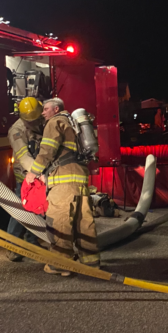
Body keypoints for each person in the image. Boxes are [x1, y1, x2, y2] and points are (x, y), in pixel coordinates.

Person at [26, 97, 100, 276]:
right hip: (79, 179)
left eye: (46, 109)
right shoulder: (72, 123)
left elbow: (47, 151)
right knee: (83, 221)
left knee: (60, 221)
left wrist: (33, 172)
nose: (43, 113)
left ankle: (61, 264)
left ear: (56, 109)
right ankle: (91, 262)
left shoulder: (55, 122)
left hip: (63, 182)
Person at [5, 97, 44, 261]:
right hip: (26, 176)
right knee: (21, 210)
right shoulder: (17, 131)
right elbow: (24, 157)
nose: (35, 122)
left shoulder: (41, 121)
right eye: (31, 120)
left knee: (39, 208)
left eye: (37, 119)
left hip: (40, 174)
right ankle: (12, 246)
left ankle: (32, 240)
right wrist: (38, 173)